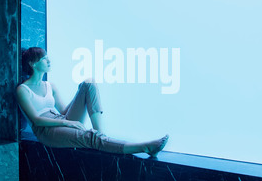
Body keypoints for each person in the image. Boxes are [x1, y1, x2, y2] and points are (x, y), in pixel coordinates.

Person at [16, 47, 169, 156]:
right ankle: (144, 147)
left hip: (60, 120)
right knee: (88, 137)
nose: (49, 61)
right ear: (32, 64)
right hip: (46, 131)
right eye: (44, 59)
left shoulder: (50, 86)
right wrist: (67, 123)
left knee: (89, 83)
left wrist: (80, 93)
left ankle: (100, 134)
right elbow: (36, 121)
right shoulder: (23, 90)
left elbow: (63, 112)